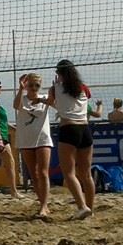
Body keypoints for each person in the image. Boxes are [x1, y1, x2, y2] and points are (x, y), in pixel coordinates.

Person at [43, 59, 97, 219]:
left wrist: (46, 96)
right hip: (85, 129)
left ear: (59, 73)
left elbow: (51, 103)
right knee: (86, 174)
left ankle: (82, 207)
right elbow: (74, 103)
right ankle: (90, 208)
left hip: (68, 128)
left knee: (69, 173)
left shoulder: (55, 88)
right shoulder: (83, 87)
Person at [13, 73, 53, 218]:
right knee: (34, 174)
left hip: (42, 138)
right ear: (26, 85)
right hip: (26, 140)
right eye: (31, 85)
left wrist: (46, 96)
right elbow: (16, 106)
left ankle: (44, 206)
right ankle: (42, 202)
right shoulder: (22, 99)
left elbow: (54, 103)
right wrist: (20, 88)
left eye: (37, 85)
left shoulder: (44, 98)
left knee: (43, 172)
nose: (34, 88)